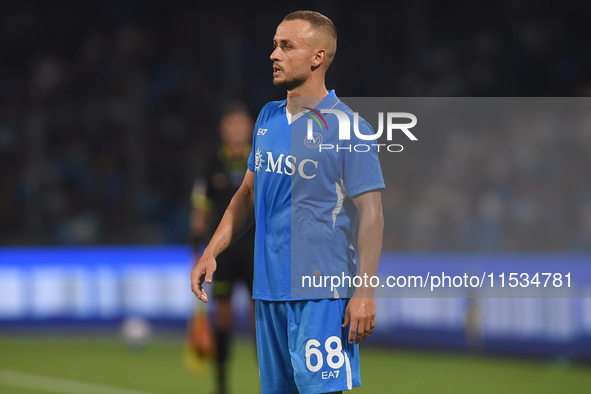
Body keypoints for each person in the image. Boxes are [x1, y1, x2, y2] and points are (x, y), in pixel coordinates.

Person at [191, 10, 384, 394]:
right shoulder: (267, 118)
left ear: (317, 57)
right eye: (274, 45)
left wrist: (364, 291)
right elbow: (246, 193)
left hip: (321, 293)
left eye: (286, 46)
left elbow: (372, 214)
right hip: (270, 290)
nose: (273, 55)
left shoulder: (348, 128)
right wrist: (212, 249)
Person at [190, 104, 256, 394]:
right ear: (223, 131)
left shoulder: (261, 159)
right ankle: (220, 383)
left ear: (251, 129)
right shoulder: (211, 165)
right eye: (232, 126)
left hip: (256, 249)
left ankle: (269, 381)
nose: (237, 131)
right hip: (224, 254)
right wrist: (198, 250)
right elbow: (200, 209)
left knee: (261, 319)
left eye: (242, 126)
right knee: (224, 316)